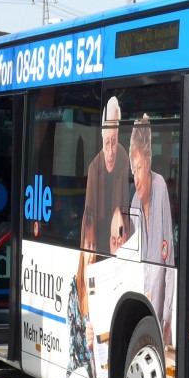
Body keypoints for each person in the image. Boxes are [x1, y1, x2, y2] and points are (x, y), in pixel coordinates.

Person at [127, 114, 175, 345]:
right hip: (140, 309)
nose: (136, 177)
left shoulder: (159, 186)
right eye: (133, 170)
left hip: (160, 314)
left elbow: (169, 258)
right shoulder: (134, 201)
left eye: (139, 168)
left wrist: (167, 316)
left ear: (148, 163)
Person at [82, 96, 130, 257]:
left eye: (114, 142)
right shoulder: (94, 169)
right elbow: (88, 217)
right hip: (98, 241)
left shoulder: (124, 159)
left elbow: (126, 210)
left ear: (118, 135)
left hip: (118, 242)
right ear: (102, 138)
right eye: (106, 143)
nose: (110, 152)